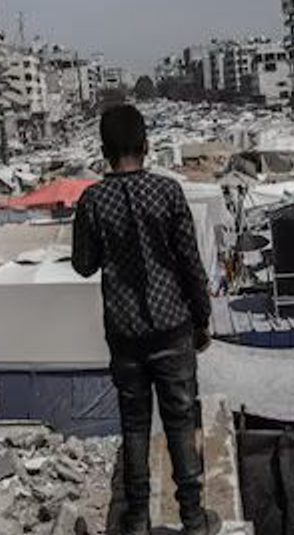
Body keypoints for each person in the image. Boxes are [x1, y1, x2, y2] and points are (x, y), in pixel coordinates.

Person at [71, 104, 218, 535]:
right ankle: (192, 518)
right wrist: (202, 319)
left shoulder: (93, 200)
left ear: (103, 151)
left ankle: (136, 520)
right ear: (147, 146)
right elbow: (191, 262)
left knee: (134, 425)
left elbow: (83, 265)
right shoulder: (168, 192)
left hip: (125, 332)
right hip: (173, 328)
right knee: (180, 420)